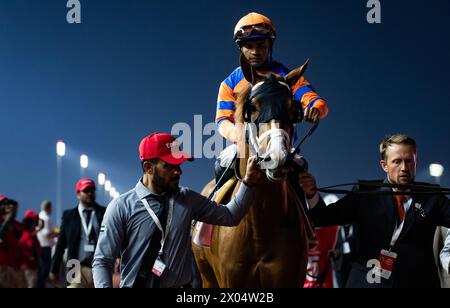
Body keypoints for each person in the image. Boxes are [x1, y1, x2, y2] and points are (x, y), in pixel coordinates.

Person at [92, 132, 262, 288]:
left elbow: (230, 216)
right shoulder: (121, 207)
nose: (178, 171)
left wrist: (248, 183)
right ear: (148, 168)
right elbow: (102, 261)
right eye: (169, 166)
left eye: (179, 164)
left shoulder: (188, 199)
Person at [300, 134, 450, 288]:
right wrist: (311, 194)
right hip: (368, 282)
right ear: (384, 165)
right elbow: (323, 218)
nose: (404, 168)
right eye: (397, 161)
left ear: (415, 162)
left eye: (409, 161)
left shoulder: (432, 196)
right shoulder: (365, 193)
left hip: (418, 282)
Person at [214, 12, 329, 183]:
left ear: (270, 44)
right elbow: (222, 121)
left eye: (261, 45)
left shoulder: (287, 77)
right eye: (249, 46)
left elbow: (317, 102)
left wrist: (314, 110)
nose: (255, 52)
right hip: (245, 148)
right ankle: (217, 206)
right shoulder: (229, 83)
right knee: (222, 164)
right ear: (240, 48)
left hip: (282, 146)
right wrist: (240, 135)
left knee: (301, 171)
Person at [50, 178, 106, 288]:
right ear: (78, 194)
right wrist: (54, 269)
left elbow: (113, 237)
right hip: (75, 265)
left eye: (92, 190)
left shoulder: (104, 212)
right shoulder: (69, 216)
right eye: (86, 191)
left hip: (100, 266)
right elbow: (61, 245)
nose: (90, 193)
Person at [18, 210, 42, 288]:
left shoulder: (26, 233)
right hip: (30, 266)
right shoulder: (28, 236)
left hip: (27, 266)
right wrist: (33, 257)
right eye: (34, 221)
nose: (36, 223)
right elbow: (31, 248)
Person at [37, 200, 57, 288]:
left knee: (42, 270)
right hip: (45, 246)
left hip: (40, 246)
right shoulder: (46, 218)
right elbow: (48, 234)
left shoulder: (39, 216)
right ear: (48, 208)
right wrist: (57, 232)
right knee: (45, 271)